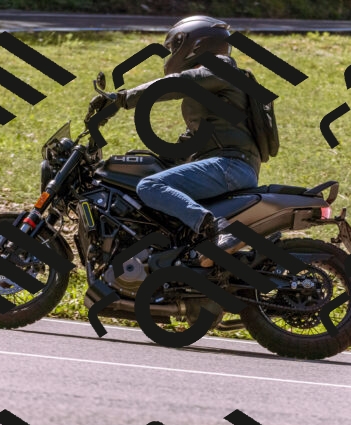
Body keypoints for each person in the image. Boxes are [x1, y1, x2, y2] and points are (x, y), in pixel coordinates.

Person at [96, 16, 262, 267]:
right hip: (229, 166)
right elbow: (193, 140)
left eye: (174, 47)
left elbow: (177, 84)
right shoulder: (214, 82)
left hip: (229, 166)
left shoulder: (220, 69)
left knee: (149, 186)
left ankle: (216, 228)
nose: (172, 54)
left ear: (194, 45)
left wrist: (121, 99)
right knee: (152, 179)